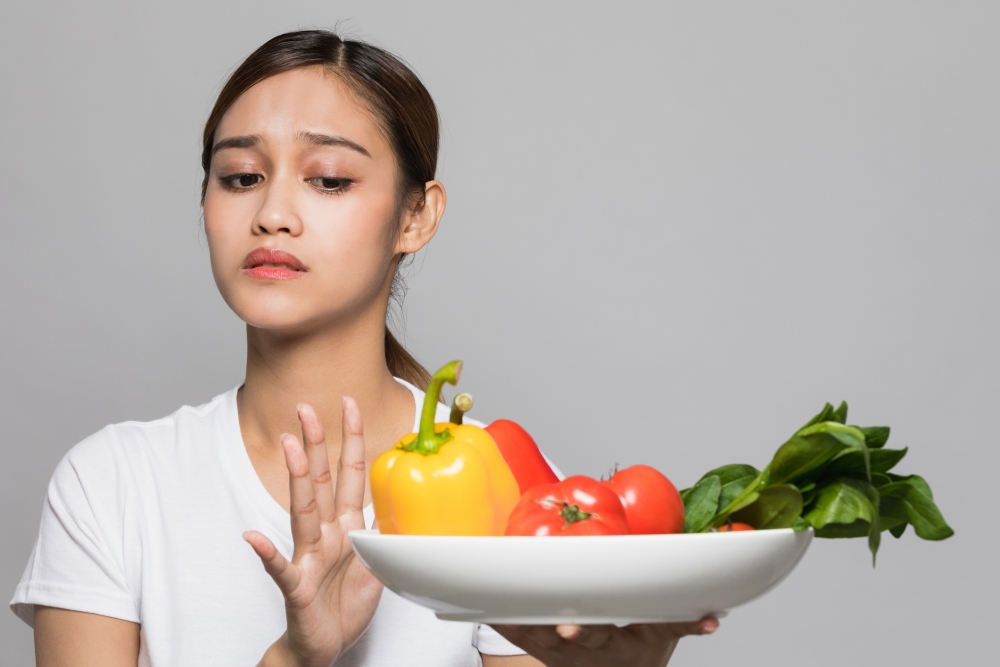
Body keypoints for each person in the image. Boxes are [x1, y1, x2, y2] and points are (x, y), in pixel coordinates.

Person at [10, 30, 718, 666]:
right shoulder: (111, 486)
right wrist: (295, 658)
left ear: (417, 216)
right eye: (241, 177)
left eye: (329, 179)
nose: (272, 214)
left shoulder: (510, 492)